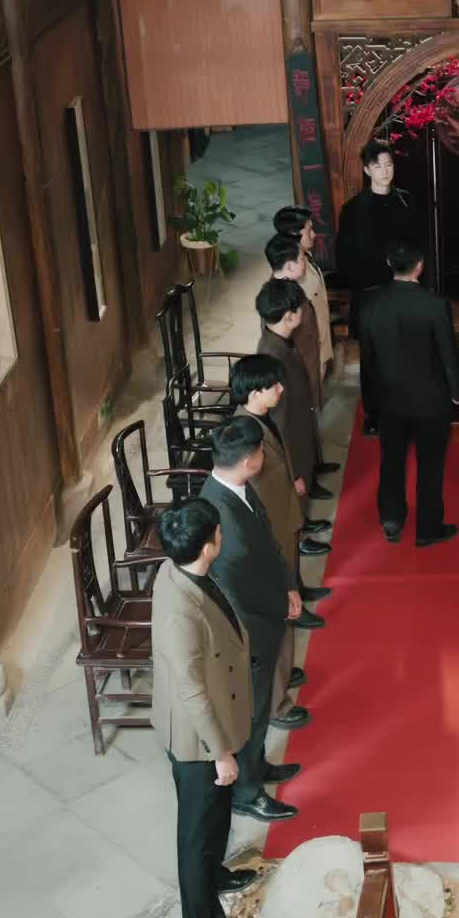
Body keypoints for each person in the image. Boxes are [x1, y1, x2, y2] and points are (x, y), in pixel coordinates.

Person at [152, 500, 258, 918]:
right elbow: (191, 690)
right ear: (210, 545)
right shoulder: (180, 610)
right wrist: (221, 753)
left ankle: (215, 874)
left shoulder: (179, 569)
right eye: (218, 531)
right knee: (195, 837)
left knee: (215, 816)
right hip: (197, 739)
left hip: (213, 718)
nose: (222, 534)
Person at [198, 417, 308, 825]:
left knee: (259, 711)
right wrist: (281, 603)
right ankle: (246, 792)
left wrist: (289, 584)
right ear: (249, 460)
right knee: (249, 714)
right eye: (261, 451)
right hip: (249, 630)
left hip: (266, 612)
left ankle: (258, 767)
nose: (264, 456)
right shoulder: (219, 512)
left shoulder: (237, 486)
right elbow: (241, 587)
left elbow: (268, 541)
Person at [231, 353, 330, 716]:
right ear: (254, 392)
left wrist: (293, 479)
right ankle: (278, 704)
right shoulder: (244, 436)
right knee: (279, 617)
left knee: (288, 609)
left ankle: (286, 675)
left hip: (285, 524)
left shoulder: (263, 418)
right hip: (270, 535)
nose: (280, 389)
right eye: (273, 385)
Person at [358, 239, 459, 546]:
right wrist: (456, 393)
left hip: (389, 399)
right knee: (431, 466)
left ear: (389, 265)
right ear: (420, 266)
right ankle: (428, 529)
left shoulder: (370, 304)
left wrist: (370, 403)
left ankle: (391, 520)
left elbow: (367, 360)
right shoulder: (434, 303)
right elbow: (448, 354)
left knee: (392, 461)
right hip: (431, 400)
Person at [336, 141, 421, 435]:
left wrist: (413, 279)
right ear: (366, 170)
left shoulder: (407, 201)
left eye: (389, 165)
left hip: (404, 288)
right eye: (378, 166)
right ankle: (374, 413)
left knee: (406, 352)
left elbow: (419, 245)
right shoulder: (353, 209)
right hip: (370, 291)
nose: (385, 171)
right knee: (372, 357)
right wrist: (365, 285)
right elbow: (344, 256)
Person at [255, 277, 334, 523]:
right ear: (289, 316)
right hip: (291, 431)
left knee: (305, 460)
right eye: (301, 308)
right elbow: (280, 425)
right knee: (296, 491)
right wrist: (294, 473)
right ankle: (302, 527)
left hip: (300, 418)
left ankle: (309, 482)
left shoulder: (282, 337)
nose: (304, 312)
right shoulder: (273, 356)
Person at [273, 203, 334, 393]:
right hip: (307, 359)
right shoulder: (290, 276)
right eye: (309, 230)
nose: (314, 235)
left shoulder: (305, 257)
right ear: (294, 234)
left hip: (320, 350)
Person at [264, 234, 326, 419]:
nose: (305, 262)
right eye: (301, 259)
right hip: (298, 378)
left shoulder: (290, 288)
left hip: (308, 366)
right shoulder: (279, 302)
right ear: (290, 266)